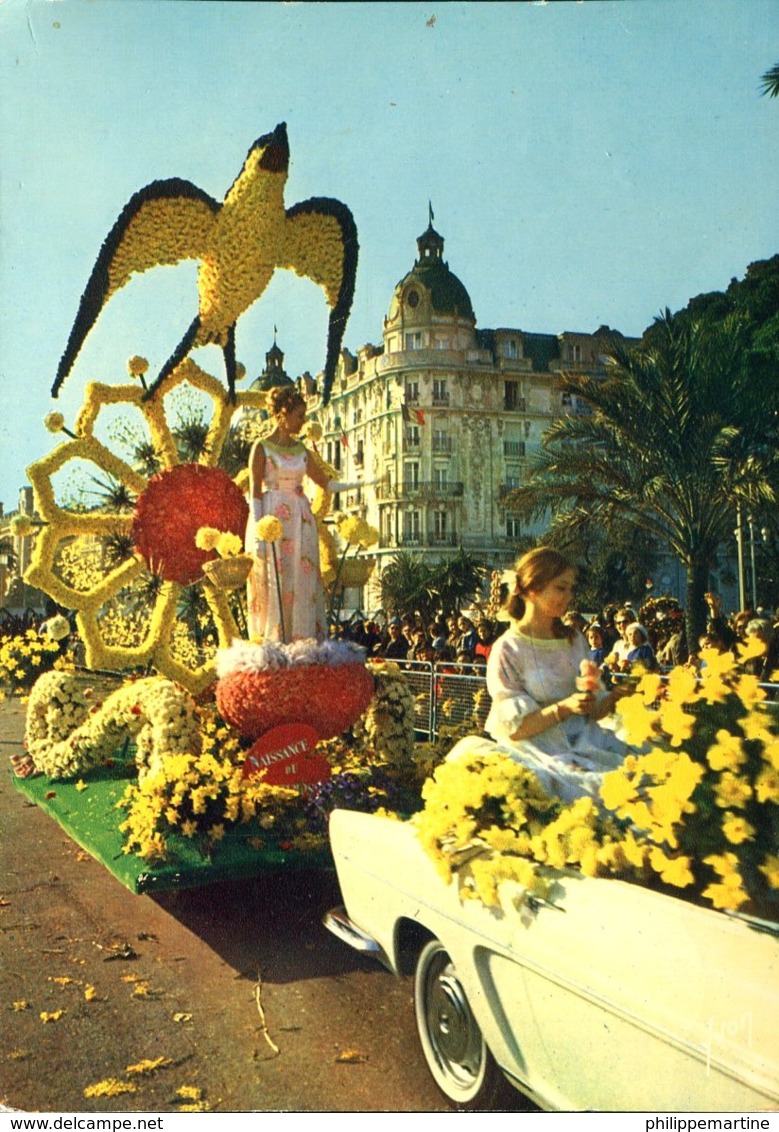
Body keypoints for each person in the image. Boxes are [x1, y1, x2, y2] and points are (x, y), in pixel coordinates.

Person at [482, 547, 628, 802]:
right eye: (561, 588)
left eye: (571, 589)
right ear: (532, 588)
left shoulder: (574, 640)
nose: (569, 596)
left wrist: (614, 696)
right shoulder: (508, 649)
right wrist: (565, 707)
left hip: (586, 742)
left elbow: (592, 711)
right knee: (591, 791)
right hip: (537, 752)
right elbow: (514, 729)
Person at [245, 386, 330, 642]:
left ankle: (302, 641)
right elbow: (255, 492)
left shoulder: (302, 450)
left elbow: (324, 482)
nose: (303, 422)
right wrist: (260, 535)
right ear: (282, 414)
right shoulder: (261, 447)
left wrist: (364, 483)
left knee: (301, 578)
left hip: (300, 522)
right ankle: (272, 641)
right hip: (272, 517)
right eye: (299, 415)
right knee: (274, 580)